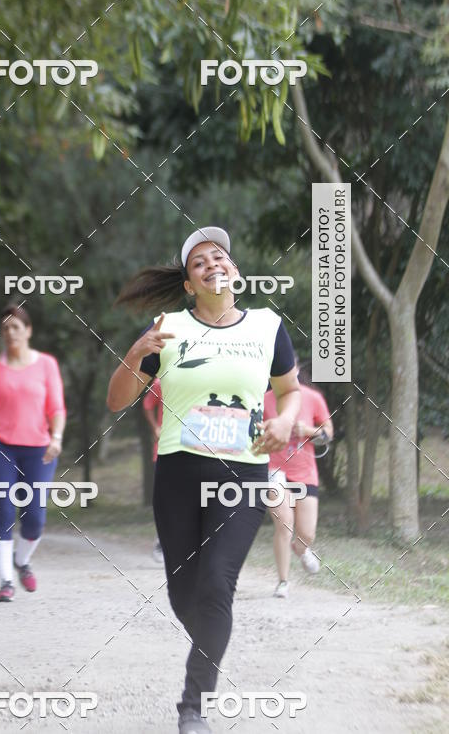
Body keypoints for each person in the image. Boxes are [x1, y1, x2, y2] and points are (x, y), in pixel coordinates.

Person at [107, 227, 300, 734]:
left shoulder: (266, 326)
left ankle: (192, 706)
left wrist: (283, 420)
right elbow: (116, 401)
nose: (211, 264)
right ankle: (212, 643)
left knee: (217, 584)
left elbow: (291, 391)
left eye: (219, 257)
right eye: (199, 263)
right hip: (178, 473)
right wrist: (134, 353)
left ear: (234, 272)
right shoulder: (167, 327)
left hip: (243, 475)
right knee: (183, 594)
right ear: (190, 285)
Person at [0, 304, 66, 602]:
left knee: (34, 517)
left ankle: (22, 561)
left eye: (16, 327)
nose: (10, 333)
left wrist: (56, 437)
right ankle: (6, 581)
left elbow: (56, 408)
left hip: (39, 447)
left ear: (28, 330)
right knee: (4, 508)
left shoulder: (46, 364)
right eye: (5, 328)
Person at [266, 361, 334, 598]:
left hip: (305, 472)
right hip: (274, 469)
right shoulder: (264, 399)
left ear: (295, 370)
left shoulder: (313, 398)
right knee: (284, 524)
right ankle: (283, 582)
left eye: (287, 368)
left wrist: (307, 430)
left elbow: (328, 433)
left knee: (307, 533)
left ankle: (302, 549)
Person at [142, 376, 163, 563]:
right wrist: (155, 428)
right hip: (164, 449)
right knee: (165, 498)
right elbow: (147, 404)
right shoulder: (161, 381)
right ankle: (161, 541)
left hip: (193, 449)